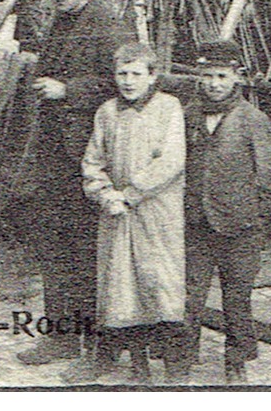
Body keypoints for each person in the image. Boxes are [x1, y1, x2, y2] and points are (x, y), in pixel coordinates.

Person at [11, 0, 131, 367]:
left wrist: (69, 90)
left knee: (88, 252)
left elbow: (126, 84)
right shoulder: (61, 23)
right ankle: (61, 338)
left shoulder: (107, 24)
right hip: (54, 156)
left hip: (89, 157)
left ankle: (100, 349)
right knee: (55, 246)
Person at [69, 42, 186, 385]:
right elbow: (92, 162)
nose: (128, 81)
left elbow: (171, 161)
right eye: (122, 73)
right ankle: (136, 364)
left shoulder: (169, 108)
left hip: (157, 212)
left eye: (136, 73)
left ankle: (175, 366)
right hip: (117, 213)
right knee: (122, 286)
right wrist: (106, 195)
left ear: (152, 77)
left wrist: (132, 193)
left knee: (161, 283)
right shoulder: (107, 112)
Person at [180, 40, 271, 383]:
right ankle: (183, 355)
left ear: (236, 77)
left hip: (240, 228)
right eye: (207, 75)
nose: (214, 83)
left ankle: (235, 360)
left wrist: (252, 217)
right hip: (196, 223)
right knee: (190, 293)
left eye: (222, 76)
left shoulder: (252, 119)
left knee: (236, 297)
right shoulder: (188, 115)